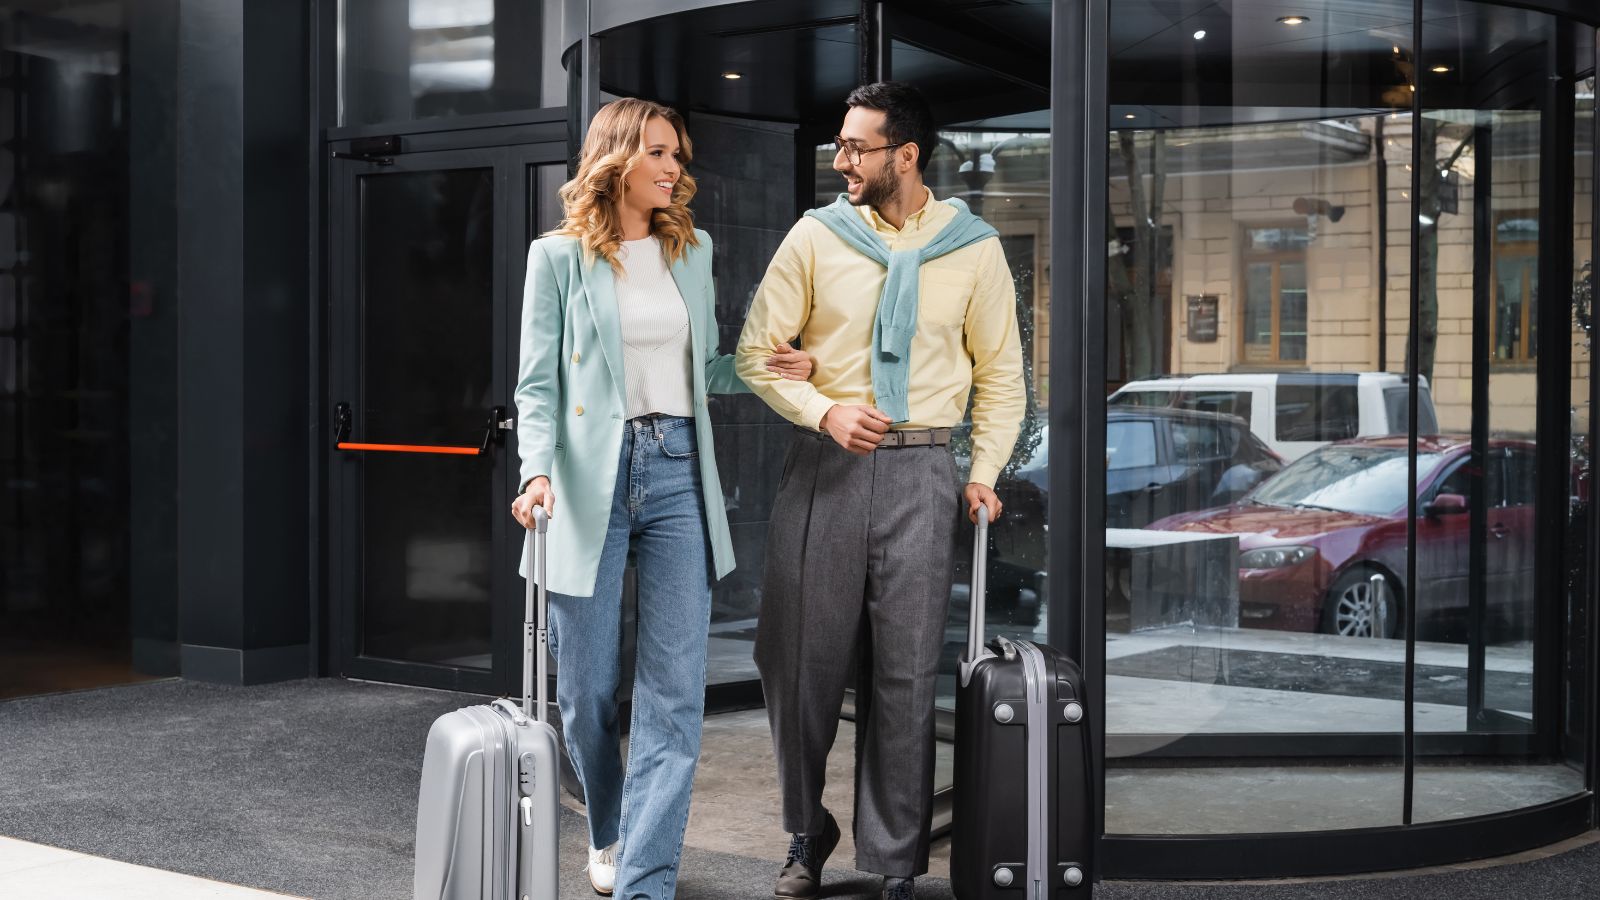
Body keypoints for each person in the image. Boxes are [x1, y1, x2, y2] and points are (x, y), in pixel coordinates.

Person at [509, 97, 813, 900]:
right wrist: (534, 470)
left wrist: (765, 365)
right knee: (583, 697)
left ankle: (646, 880)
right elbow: (538, 383)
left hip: (678, 467)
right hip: (586, 481)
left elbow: (705, 369)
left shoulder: (693, 249)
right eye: (658, 152)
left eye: (678, 153)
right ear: (617, 158)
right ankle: (609, 828)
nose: (675, 167)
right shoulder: (560, 257)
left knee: (674, 695)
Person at [735, 81, 1025, 900]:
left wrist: (983, 472)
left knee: (903, 676)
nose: (842, 160)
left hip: (924, 472)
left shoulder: (974, 248)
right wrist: (824, 410)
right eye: (839, 144)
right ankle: (805, 829)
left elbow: (1002, 376)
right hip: (825, 468)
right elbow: (758, 352)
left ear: (907, 154)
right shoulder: (813, 239)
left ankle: (895, 858)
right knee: (799, 663)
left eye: (858, 147)